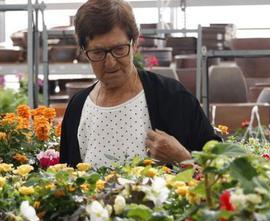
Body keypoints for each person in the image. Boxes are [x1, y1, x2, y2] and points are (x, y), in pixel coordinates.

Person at [59, 0, 218, 168]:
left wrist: (182, 158)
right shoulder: (78, 108)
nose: (111, 62)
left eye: (119, 49)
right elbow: (66, 182)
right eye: (98, 52)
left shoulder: (172, 98)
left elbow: (219, 173)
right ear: (84, 52)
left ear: (135, 43)